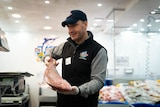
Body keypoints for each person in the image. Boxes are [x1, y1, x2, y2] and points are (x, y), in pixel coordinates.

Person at [43, 10, 108, 107]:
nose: (70, 30)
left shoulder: (98, 50)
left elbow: (98, 81)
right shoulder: (65, 46)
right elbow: (49, 52)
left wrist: (77, 90)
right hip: (63, 103)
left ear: (85, 24)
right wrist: (47, 59)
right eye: (68, 26)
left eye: (74, 25)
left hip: (85, 104)